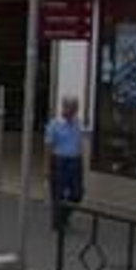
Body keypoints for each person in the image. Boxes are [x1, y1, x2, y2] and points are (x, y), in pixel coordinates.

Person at [44, 96, 85, 233]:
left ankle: (63, 216)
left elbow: (79, 142)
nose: (75, 112)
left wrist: (80, 158)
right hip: (59, 161)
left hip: (75, 161)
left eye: (76, 109)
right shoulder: (54, 124)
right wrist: (47, 168)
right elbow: (48, 147)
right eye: (73, 108)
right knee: (58, 193)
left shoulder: (77, 122)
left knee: (77, 194)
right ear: (65, 108)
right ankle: (58, 223)